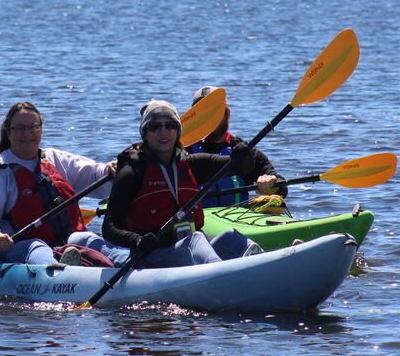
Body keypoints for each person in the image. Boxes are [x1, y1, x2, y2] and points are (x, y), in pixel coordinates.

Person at [101, 100, 278, 269]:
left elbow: (242, 167)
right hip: (152, 257)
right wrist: (136, 240)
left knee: (231, 237)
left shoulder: (192, 164)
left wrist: (243, 157)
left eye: (170, 126)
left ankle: (268, 264)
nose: (164, 132)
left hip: (186, 251)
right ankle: (221, 275)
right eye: (155, 127)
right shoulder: (132, 171)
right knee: (196, 239)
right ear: (145, 133)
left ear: (178, 131)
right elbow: (109, 228)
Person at [0, 101, 119, 265]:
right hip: (21, 245)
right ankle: (59, 272)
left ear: (41, 128)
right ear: (8, 133)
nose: (27, 133)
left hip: (67, 240)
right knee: (38, 247)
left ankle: (135, 265)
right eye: (20, 128)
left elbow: (93, 175)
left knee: (85, 238)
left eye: (33, 126)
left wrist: (109, 171)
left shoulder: (53, 158)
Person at [188, 86, 288, 208]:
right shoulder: (181, 152)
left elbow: (282, 189)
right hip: (195, 223)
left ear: (227, 114)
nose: (209, 118)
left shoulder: (246, 153)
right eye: (203, 112)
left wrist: (271, 183)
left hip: (235, 222)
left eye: (214, 111)